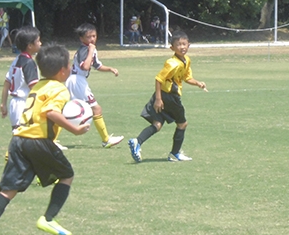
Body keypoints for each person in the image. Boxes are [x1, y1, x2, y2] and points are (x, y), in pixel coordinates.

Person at [0, 43, 91, 235]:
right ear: (62, 70)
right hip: (38, 141)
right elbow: (51, 112)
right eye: (69, 65)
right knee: (67, 175)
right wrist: (75, 129)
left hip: (19, 140)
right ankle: (48, 218)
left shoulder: (37, 86)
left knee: (9, 190)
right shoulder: (60, 89)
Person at [128, 30, 207, 163]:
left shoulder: (186, 60)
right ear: (172, 48)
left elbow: (187, 78)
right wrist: (158, 99)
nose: (182, 47)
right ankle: (175, 153)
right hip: (169, 97)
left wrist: (198, 83)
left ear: (189, 45)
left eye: (184, 44)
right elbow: (159, 79)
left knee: (157, 124)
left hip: (164, 96)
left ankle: (137, 142)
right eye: (178, 44)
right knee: (182, 123)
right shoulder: (172, 63)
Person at [66, 23, 124, 148]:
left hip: (76, 80)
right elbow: (86, 66)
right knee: (96, 108)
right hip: (77, 81)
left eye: (94, 36)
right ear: (82, 39)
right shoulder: (85, 50)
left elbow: (97, 65)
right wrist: (91, 50)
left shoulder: (90, 49)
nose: (92, 39)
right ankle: (106, 140)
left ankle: (51, 140)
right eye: (88, 37)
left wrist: (110, 69)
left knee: (64, 110)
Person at [1, 27, 41, 129]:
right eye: (38, 41)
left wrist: (3, 103)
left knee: (19, 136)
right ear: (30, 46)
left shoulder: (17, 59)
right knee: (24, 138)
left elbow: (7, 83)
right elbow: (34, 86)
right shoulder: (29, 63)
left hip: (14, 103)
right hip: (24, 104)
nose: (40, 43)